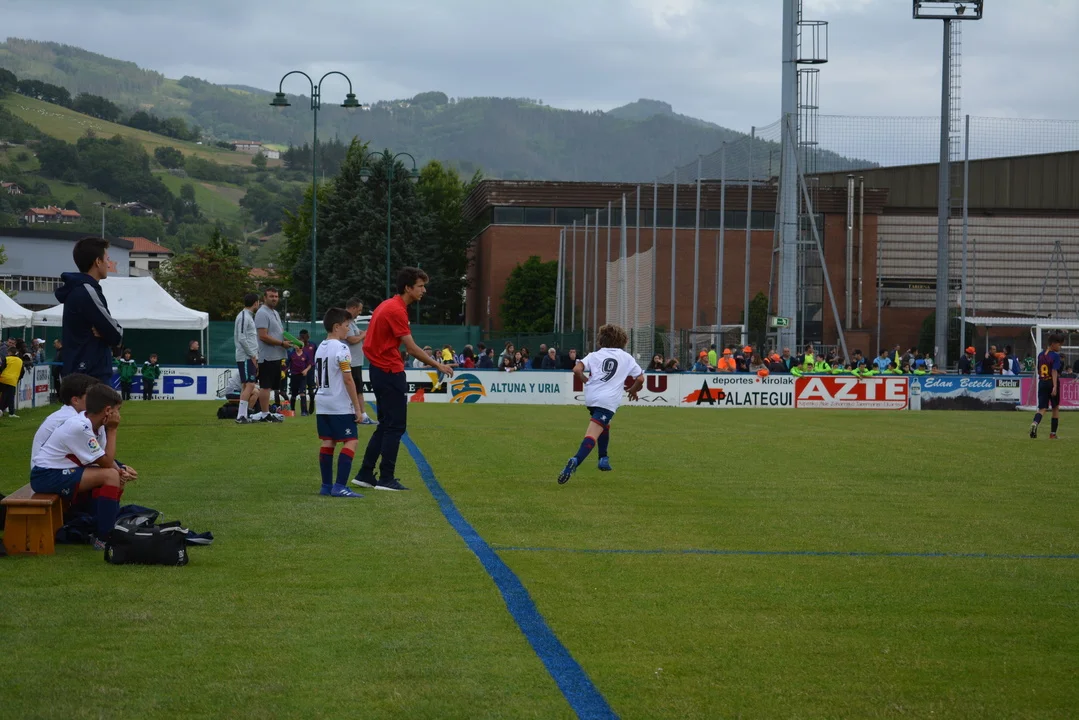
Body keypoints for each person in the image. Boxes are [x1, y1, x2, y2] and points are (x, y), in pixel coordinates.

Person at [352, 267, 453, 492]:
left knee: (386, 425)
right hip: (389, 372)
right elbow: (412, 348)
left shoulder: (387, 305)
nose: (424, 290)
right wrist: (438, 364)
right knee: (396, 426)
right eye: (420, 286)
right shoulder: (396, 310)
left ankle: (365, 474)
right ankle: (386, 478)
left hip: (379, 370)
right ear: (408, 288)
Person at [30, 383, 127, 549]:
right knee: (110, 476)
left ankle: (101, 528)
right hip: (45, 475)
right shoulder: (79, 426)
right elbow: (105, 461)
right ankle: (104, 538)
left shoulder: (95, 425)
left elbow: (102, 458)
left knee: (114, 475)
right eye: (117, 410)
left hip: (58, 471)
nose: (118, 415)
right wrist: (112, 430)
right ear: (108, 410)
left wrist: (121, 470)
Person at [557, 323, 644, 484]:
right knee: (592, 434)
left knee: (605, 423)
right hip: (608, 401)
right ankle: (575, 460)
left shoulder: (594, 355)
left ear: (601, 340)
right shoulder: (626, 357)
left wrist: (586, 381)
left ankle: (603, 458)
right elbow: (640, 378)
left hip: (591, 398)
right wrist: (633, 390)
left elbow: (576, 370)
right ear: (622, 341)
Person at [313, 307, 366, 498]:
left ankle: (326, 486)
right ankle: (340, 486)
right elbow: (348, 379)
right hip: (339, 403)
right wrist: (358, 409)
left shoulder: (321, 347)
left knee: (328, 440)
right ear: (336, 327)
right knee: (351, 440)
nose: (348, 329)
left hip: (322, 402)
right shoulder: (342, 348)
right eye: (346, 325)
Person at [56, 237, 124, 383]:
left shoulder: (77, 289)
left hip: (79, 372)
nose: (109, 264)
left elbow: (107, 330)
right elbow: (115, 334)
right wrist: (109, 333)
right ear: (98, 262)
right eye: (107, 259)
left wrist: (105, 332)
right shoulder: (87, 291)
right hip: (90, 375)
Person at [30, 373, 101, 466]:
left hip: (55, 466)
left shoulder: (69, 415)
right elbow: (95, 456)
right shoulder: (71, 420)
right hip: (49, 470)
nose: (96, 401)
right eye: (91, 397)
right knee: (109, 472)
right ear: (75, 400)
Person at [255, 287, 292, 423]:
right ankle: (264, 413)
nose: (274, 299)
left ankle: (268, 412)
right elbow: (263, 336)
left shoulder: (275, 312)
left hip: (277, 355)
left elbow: (278, 333)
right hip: (267, 356)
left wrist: (292, 341)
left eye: (276, 296)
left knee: (271, 387)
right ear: (265, 298)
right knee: (265, 386)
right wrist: (282, 343)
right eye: (271, 296)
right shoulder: (262, 313)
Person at [344, 298, 375, 426]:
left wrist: (364, 333)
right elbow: (352, 339)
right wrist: (364, 334)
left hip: (355, 362)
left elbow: (357, 334)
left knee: (358, 390)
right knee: (356, 390)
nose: (359, 313)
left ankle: (360, 414)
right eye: (359, 310)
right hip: (351, 362)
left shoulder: (351, 322)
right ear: (353, 308)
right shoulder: (345, 321)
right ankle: (361, 415)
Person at [1030, 332, 1064, 440]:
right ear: (1053, 344)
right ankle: (1053, 434)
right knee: (1055, 407)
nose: (1060, 347)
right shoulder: (1055, 356)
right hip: (1051, 382)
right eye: (1059, 344)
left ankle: (1035, 423)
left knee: (1042, 408)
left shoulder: (1041, 355)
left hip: (1042, 382)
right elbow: (1054, 371)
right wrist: (1054, 386)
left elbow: (1039, 370)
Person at [233, 292, 261, 424]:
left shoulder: (248, 316)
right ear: (255, 303)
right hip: (246, 356)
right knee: (250, 384)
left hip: (248, 356)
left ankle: (243, 414)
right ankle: (241, 416)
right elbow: (242, 338)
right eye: (258, 302)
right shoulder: (244, 316)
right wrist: (252, 355)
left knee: (246, 385)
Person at [287, 341, 312, 415]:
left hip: (302, 376)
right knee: (293, 394)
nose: (297, 347)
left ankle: (304, 411)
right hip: (294, 376)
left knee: (302, 393)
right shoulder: (292, 354)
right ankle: (292, 410)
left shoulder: (305, 354)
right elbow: (287, 363)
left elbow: (310, 364)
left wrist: (306, 370)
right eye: (296, 345)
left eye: (299, 346)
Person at [298, 329, 317, 414]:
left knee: (311, 390)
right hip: (301, 370)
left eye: (307, 335)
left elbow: (316, 356)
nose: (306, 337)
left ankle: (312, 403)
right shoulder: (298, 346)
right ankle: (304, 411)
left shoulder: (313, 345)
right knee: (302, 390)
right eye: (303, 336)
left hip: (311, 370)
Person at [0, 344, 23, 418]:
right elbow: (22, 372)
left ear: (9, 352)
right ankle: (11, 413)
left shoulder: (7, 359)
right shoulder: (20, 361)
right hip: (13, 381)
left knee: (4, 396)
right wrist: (18, 379)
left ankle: (1, 409)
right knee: (10, 398)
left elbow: (1, 368)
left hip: (3, 379)